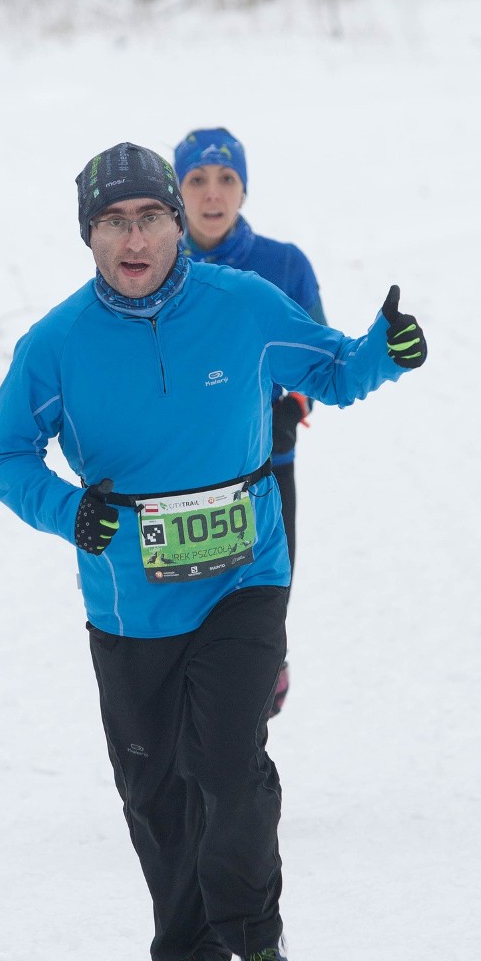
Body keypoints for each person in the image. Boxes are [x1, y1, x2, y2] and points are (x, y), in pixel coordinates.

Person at [0, 142, 426, 961]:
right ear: (89, 236)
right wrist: (70, 513)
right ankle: (191, 954)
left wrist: (388, 352)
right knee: (153, 790)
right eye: (114, 223)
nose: (134, 238)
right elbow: (4, 455)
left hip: (244, 577)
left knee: (226, 761)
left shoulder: (243, 305)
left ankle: (257, 937)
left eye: (150, 218)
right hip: (129, 602)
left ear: (177, 226)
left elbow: (331, 370)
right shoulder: (55, 345)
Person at [174, 127, 325, 716]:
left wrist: (287, 407)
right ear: (177, 189)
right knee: (182, 614)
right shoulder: (154, 264)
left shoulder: (282, 265)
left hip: (265, 471)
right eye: (197, 179)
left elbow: (316, 359)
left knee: (260, 600)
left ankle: (262, 684)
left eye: (227, 179)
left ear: (244, 187)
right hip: (177, 476)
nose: (213, 194)